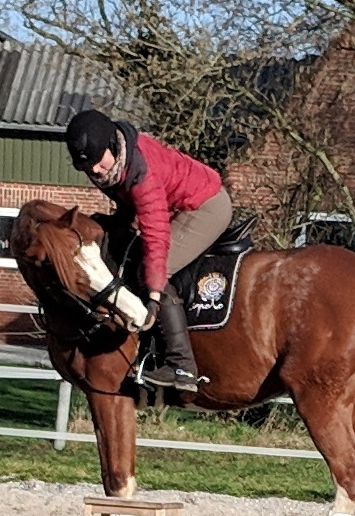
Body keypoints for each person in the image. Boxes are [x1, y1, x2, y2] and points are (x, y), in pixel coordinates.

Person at [63, 109, 233, 392]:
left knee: (150, 271)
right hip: (176, 207)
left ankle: (183, 367)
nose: (94, 171)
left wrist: (154, 292)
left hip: (205, 206)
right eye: (87, 166)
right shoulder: (109, 165)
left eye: (96, 162)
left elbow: (155, 235)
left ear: (112, 145)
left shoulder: (143, 172)